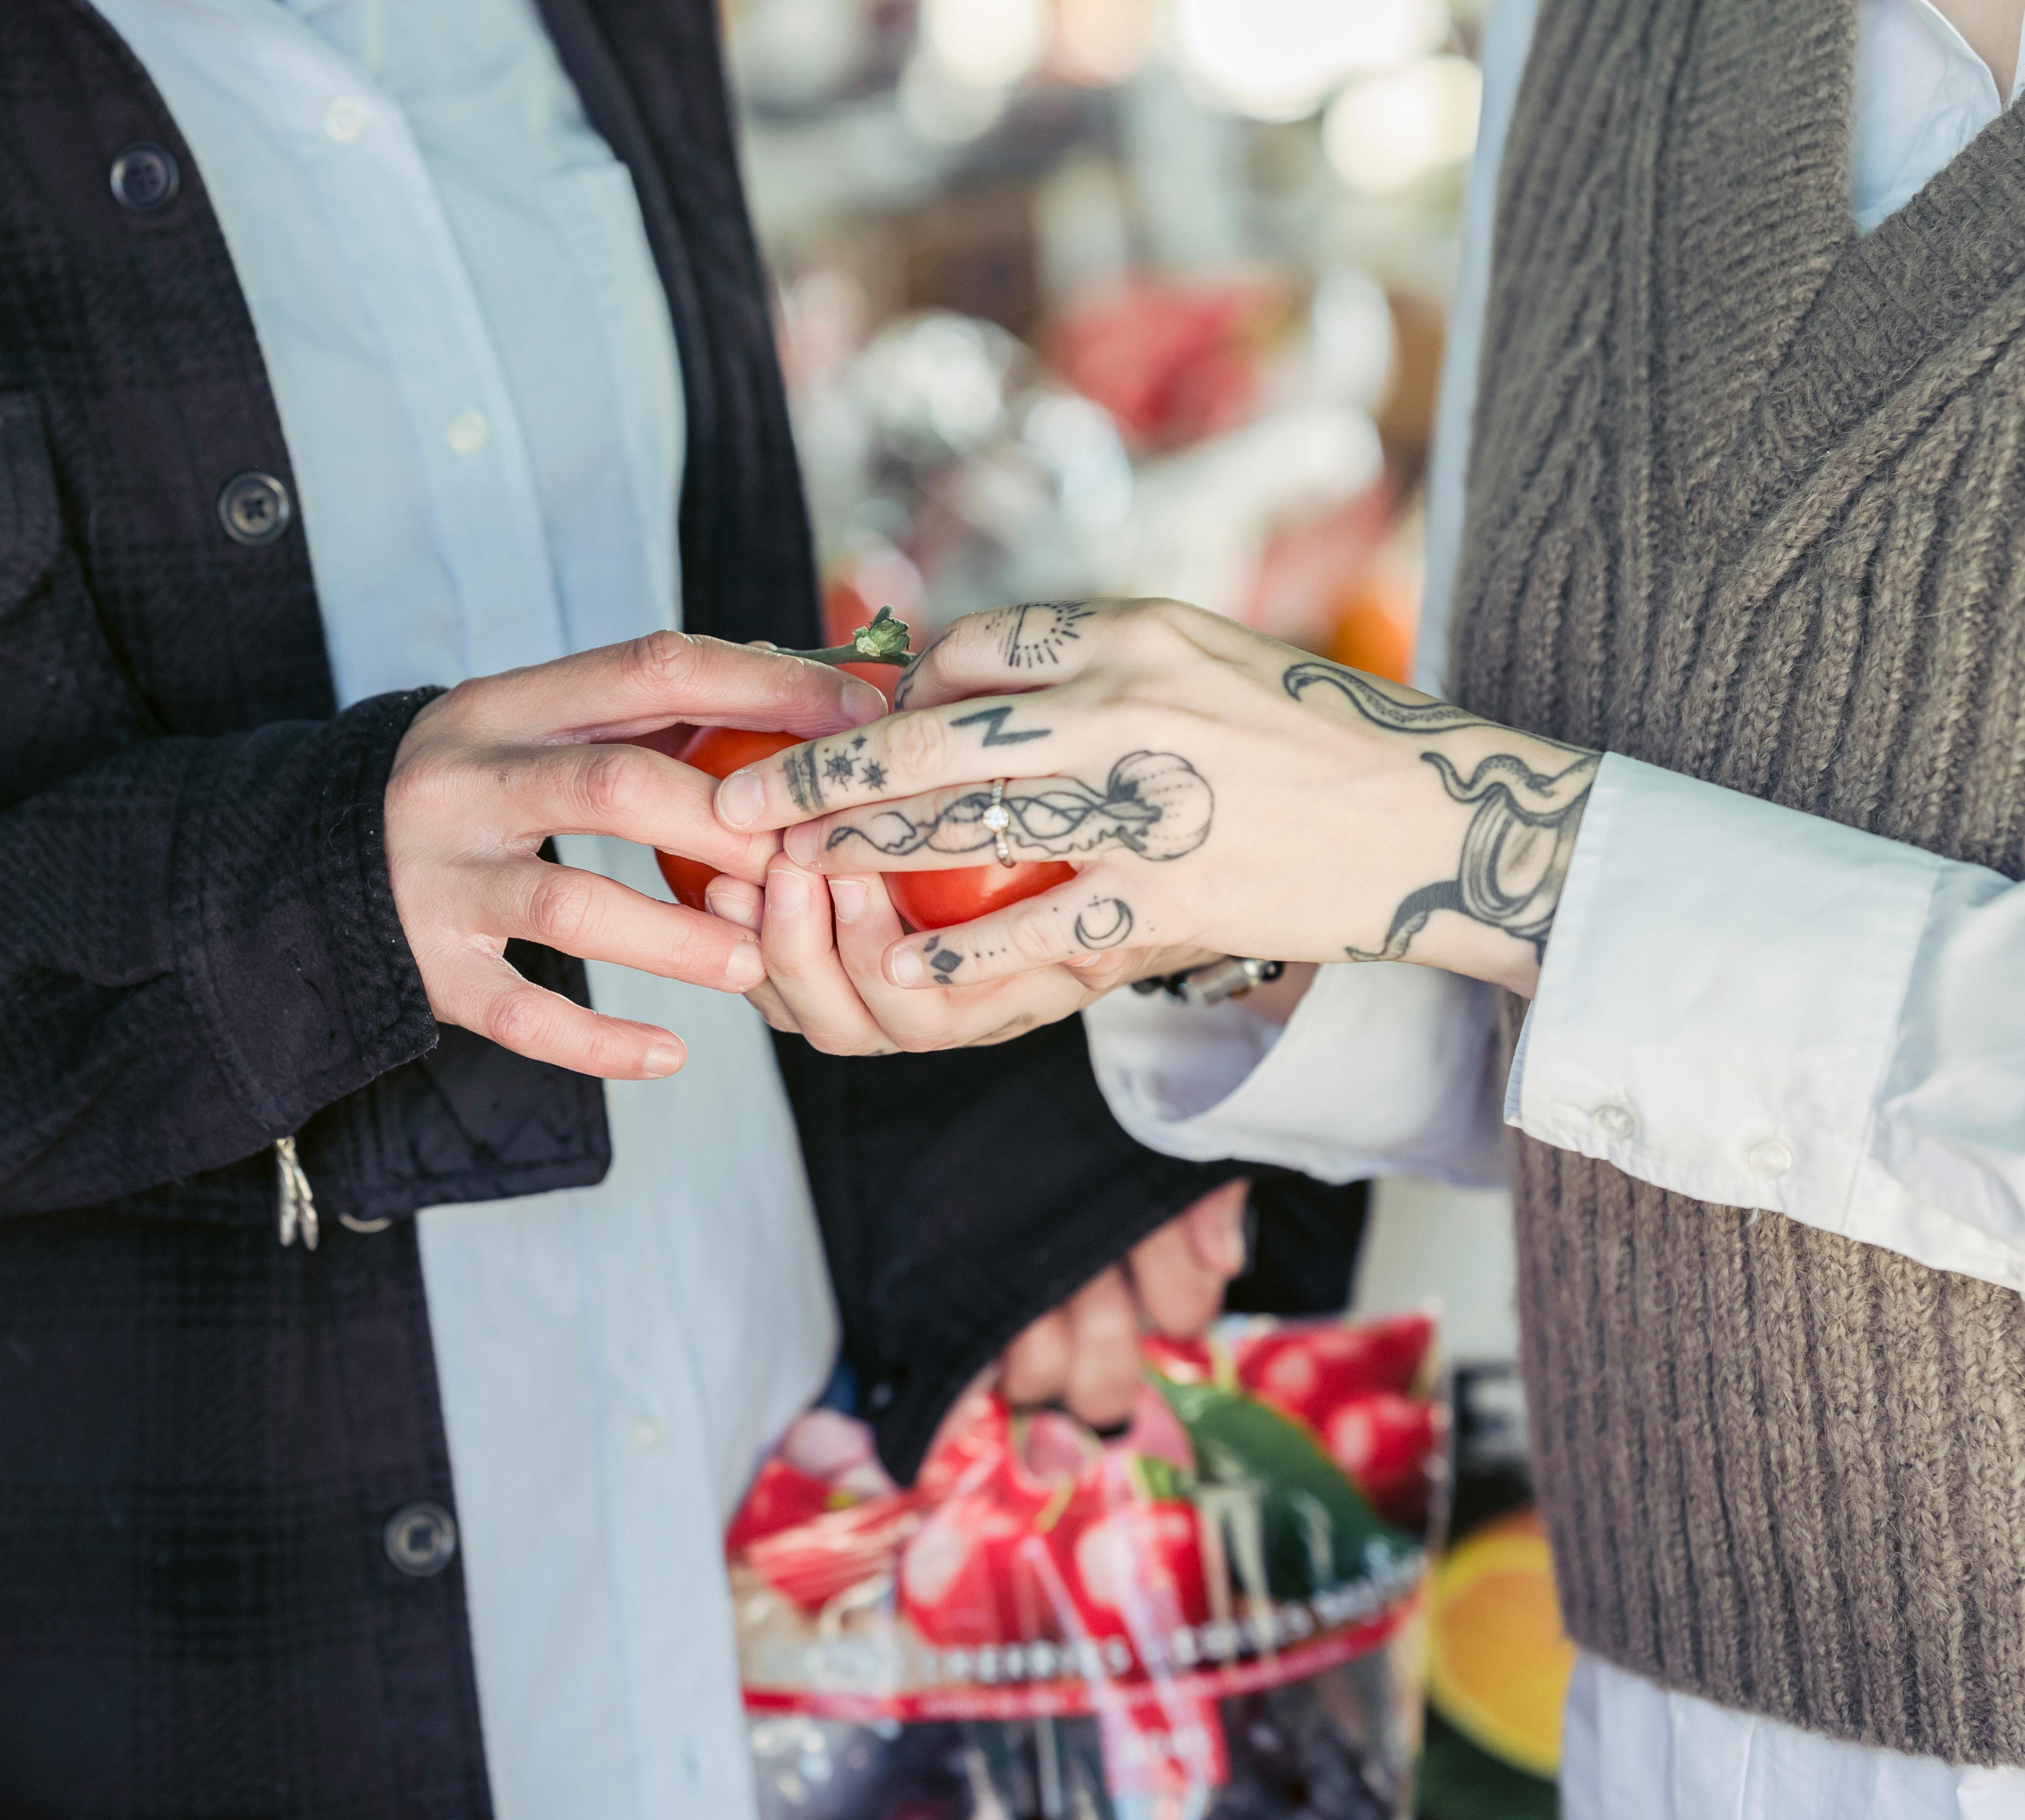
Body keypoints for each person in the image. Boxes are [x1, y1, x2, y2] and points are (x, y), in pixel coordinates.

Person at [0, 0, 1322, 1814]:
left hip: (727, 1635)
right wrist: (286, 910)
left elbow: (694, 733)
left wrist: (989, 1165)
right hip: (55, 1700)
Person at [705, 0, 2025, 1810]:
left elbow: (1521, 854)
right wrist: (1191, 910)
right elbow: (1571, 1011)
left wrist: (1457, 830)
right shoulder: (1593, 37)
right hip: (1642, 1712)